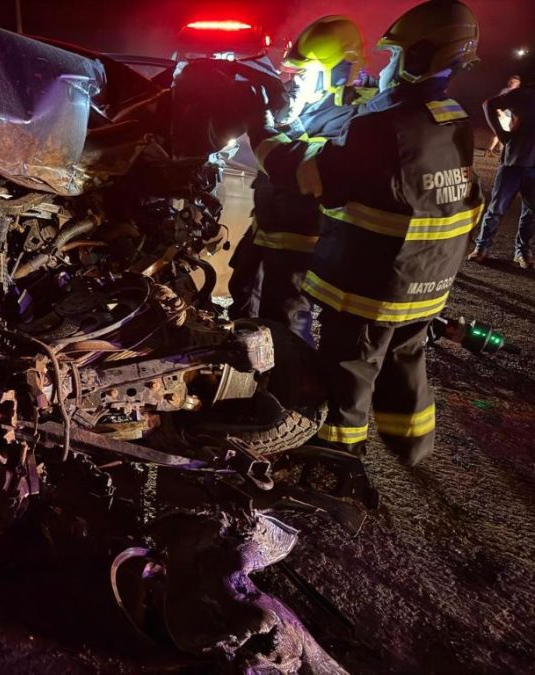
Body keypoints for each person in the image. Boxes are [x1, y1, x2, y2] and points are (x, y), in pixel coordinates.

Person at [247, 0, 483, 465]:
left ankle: (338, 460)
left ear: (421, 57)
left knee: (350, 369)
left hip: (373, 284)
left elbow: (305, 177)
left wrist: (260, 130)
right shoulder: (451, 116)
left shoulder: (382, 124)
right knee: (404, 359)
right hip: (428, 279)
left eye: (397, 56)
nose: (389, 65)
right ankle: (413, 445)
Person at [228, 16, 375, 344]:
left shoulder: (359, 116)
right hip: (267, 228)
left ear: (339, 69)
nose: (296, 80)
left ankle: (288, 391)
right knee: (244, 299)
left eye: (306, 72)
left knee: (286, 321)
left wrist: (266, 126)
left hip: (304, 241)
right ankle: (245, 381)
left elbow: (302, 169)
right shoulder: (312, 100)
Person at [468, 64, 535, 268]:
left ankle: (522, 252)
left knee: (532, 211)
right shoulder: (522, 94)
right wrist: (502, 134)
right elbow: (489, 104)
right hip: (513, 161)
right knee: (497, 207)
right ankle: (482, 246)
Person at [486, 75, 521, 156]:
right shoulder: (506, 90)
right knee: (501, 133)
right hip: (503, 115)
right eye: (512, 81)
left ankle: (498, 150)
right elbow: (496, 101)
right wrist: (499, 111)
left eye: (515, 82)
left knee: (501, 132)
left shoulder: (514, 92)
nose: (513, 83)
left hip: (508, 116)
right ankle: (490, 150)